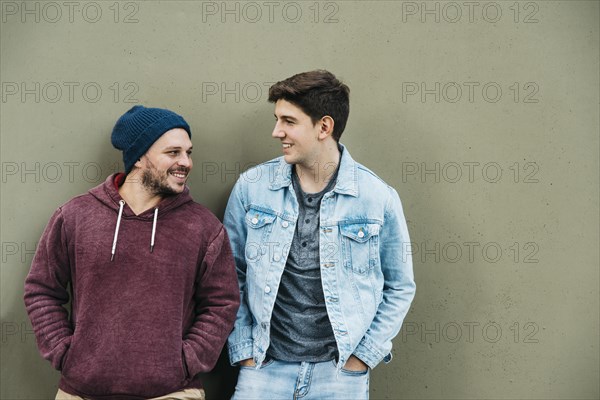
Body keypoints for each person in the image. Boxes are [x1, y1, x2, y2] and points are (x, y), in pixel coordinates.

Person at [24, 105, 240, 400]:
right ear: (139, 156)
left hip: (173, 392)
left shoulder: (203, 227)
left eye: (188, 152)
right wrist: (65, 354)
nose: (186, 162)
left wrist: (187, 360)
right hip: (82, 392)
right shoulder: (75, 216)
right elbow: (41, 290)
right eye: (173, 153)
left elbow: (222, 302)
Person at [224, 70, 416, 399]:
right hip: (264, 368)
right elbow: (229, 275)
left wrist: (361, 359)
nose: (276, 132)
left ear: (324, 127)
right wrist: (245, 353)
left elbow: (400, 286)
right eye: (277, 119)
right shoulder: (252, 189)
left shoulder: (376, 198)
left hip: (339, 372)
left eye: (288, 121)